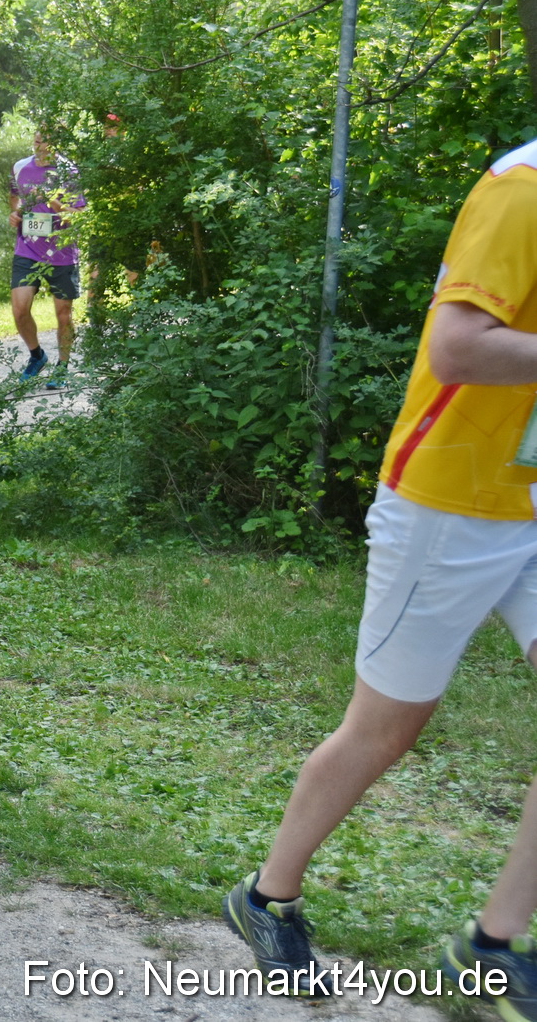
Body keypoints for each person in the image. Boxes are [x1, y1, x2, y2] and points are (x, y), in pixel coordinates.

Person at [221, 137, 537, 1016]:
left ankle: (492, 943)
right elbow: (459, 347)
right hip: (448, 505)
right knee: (387, 727)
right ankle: (267, 896)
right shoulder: (524, 190)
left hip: (533, 499)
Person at [9, 131, 86, 389]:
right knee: (20, 309)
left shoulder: (68, 172)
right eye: (36, 138)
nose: (38, 143)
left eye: (44, 139)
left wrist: (59, 207)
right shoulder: (21, 167)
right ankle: (37, 355)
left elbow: (81, 215)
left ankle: (62, 367)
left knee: (63, 315)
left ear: (57, 143)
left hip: (62, 252)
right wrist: (15, 215)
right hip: (28, 248)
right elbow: (15, 198)